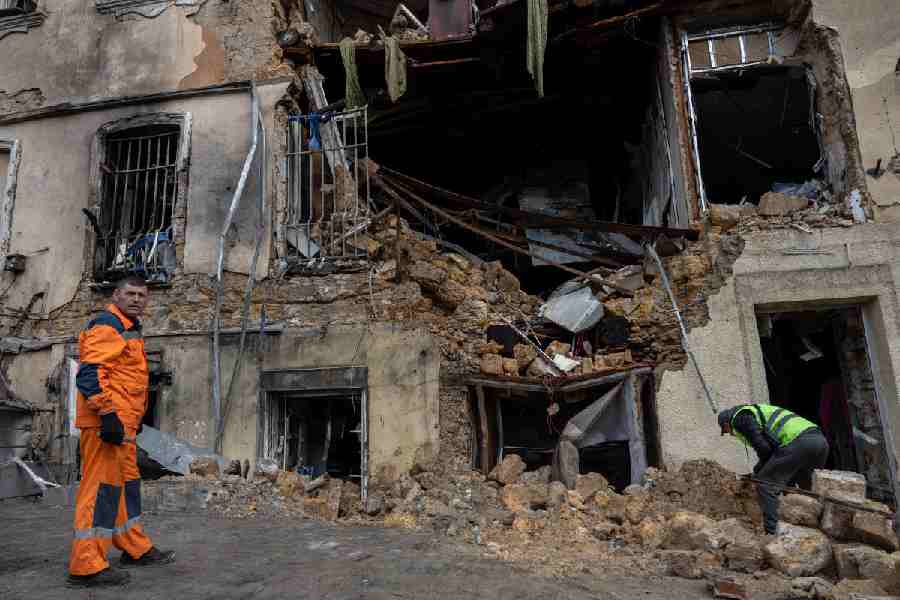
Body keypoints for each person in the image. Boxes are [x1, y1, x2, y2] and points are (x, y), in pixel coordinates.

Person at [67, 276, 175, 588]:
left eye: (142, 295)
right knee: (100, 489)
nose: (137, 299)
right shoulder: (107, 323)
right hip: (106, 424)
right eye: (130, 293)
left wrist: (133, 417)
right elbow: (90, 374)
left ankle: (133, 546)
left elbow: (126, 379)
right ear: (116, 295)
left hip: (122, 425)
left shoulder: (128, 327)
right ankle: (86, 564)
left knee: (127, 485)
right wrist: (109, 415)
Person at [718, 403, 829, 535]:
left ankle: (772, 532)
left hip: (799, 442)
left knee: (765, 483)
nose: (730, 434)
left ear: (726, 424)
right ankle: (815, 529)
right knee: (803, 488)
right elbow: (772, 453)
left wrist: (758, 471)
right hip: (819, 442)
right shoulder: (755, 412)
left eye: (726, 431)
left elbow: (764, 449)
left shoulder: (740, 419)